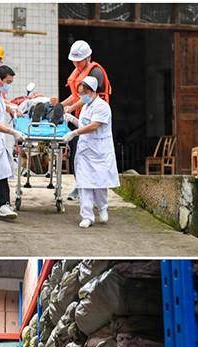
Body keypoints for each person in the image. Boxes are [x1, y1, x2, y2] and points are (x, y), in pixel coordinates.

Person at [62, 76, 119, 229]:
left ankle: (102, 207)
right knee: (83, 183)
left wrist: (75, 133)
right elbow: (84, 123)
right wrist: (72, 119)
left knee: (100, 183)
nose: (81, 97)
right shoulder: (86, 106)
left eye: (83, 93)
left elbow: (94, 125)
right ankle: (87, 216)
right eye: (80, 94)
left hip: (99, 150)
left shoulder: (102, 107)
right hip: (85, 150)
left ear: (92, 92)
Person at [60, 40, 112, 202]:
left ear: (88, 57)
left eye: (78, 60)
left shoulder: (95, 72)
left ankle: (97, 192)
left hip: (96, 120)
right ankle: (81, 185)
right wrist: (61, 106)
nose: (75, 63)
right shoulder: (78, 72)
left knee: (95, 156)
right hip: (81, 119)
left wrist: (69, 108)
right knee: (78, 154)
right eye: (74, 60)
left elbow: (88, 97)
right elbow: (76, 95)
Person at [0, 66, 26, 221]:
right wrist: (13, 132)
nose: (8, 85)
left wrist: (10, 107)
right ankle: (3, 204)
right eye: (7, 82)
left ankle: (2, 204)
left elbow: (1, 103)